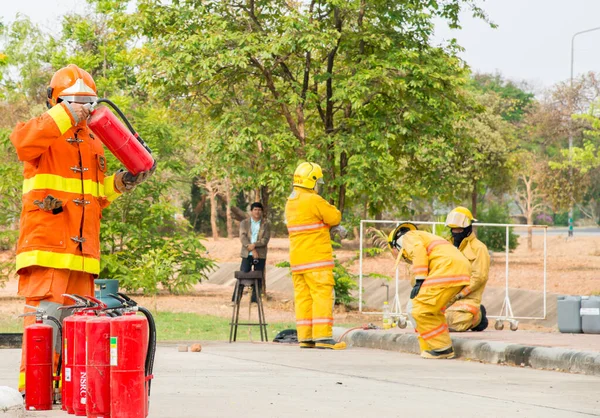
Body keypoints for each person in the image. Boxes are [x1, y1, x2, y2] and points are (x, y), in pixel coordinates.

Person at [10, 64, 154, 393]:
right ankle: (35, 388)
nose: (84, 109)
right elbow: (22, 143)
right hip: (48, 249)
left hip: (82, 255)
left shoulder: (93, 142)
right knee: (45, 321)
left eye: (88, 103)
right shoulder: (43, 131)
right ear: (56, 101)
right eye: (76, 102)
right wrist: (64, 115)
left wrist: (121, 181)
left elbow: (95, 196)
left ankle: (73, 389)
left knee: (80, 328)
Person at [284, 162, 347, 350]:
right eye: (317, 181)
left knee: (304, 299)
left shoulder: (291, 202)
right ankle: (323, 337)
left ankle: (306, 337)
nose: (319, 184)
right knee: (322, 296)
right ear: (311, 181)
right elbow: (334, 217)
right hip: (316, 260)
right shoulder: (313, 199)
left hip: (298, 260)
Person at [388, 223, 471, 359]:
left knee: (418, 309)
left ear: (393, 245)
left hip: (447, 268)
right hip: (459, 269)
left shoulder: (406, 238)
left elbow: (418, 250)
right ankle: (442, 347)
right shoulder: (424, 237)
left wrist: (420, 280)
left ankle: (441, 349)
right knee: (432, 310)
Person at [443, 207, 490, 332]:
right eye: (453, 229)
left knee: (453, 321)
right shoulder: (447, 246)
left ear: (468, 228)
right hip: (446, 295)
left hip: (466, 298)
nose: (455, 232)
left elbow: (479, 277)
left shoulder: (479, 248)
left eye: (459, 229)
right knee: (426, 317)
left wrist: (460, 294)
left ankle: (479, 315)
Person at [232, 202, 271, 303]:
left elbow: (265, 240)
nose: (257, 212)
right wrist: (252, 249)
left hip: (260, 255)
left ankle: (254, 301)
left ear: (261, 211)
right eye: (255, 210)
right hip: (247, 253)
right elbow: (242, 237)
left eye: (259, 210)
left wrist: (254, 245)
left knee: (258, 277)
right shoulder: (244, 223)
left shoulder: (266, 224)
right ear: (251, 211)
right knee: (242, 275)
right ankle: (235, 300)